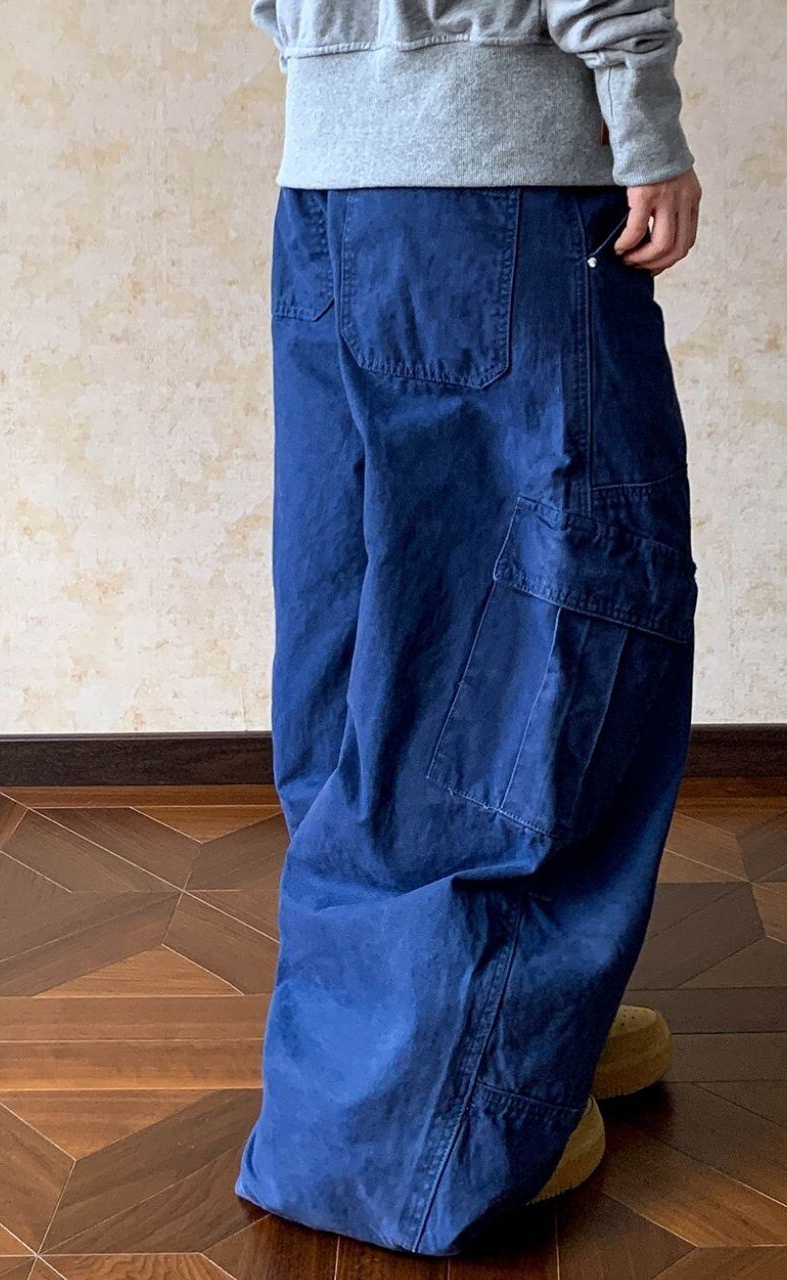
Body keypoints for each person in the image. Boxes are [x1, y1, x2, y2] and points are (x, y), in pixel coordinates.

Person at [234, 0, 702, 1257]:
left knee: (372, 627)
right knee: (533, 623)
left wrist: (356, 70)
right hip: (498, 185)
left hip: (334, 189)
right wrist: (641, 115)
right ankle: (442, 1104)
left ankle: (487, 1023)